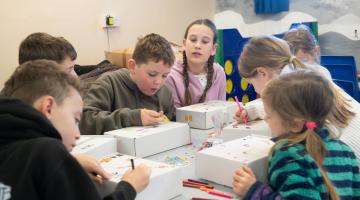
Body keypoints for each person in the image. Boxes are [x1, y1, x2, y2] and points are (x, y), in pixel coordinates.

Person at [0, 60, 151, 200]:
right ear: (48, 108)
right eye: (75, 119)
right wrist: (129, 187)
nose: (78, 135)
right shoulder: (48, 152)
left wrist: (70, 164)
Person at [232, 71, 360, 199]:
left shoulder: (288, 155)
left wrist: (254, 190)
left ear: (295, 125)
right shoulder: (345, 150)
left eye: (269, 116)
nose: (265, 120)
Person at [233, 36, 355, 135]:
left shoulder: (293, 88)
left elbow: (283, 108)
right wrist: (252, 111)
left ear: (262, 73)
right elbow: (283, 108)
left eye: (252, 83)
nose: (254, 88)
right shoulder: (304, 73)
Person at [80, 33, 176, 135]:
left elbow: (174, 126)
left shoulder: (165, 92)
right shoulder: (109, 84)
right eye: (152, 74)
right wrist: (133, 117)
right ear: (132, 66)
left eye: (165, 76)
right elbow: (85, 121)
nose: (158, 82)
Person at [165, 19, 226, 108]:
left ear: (213, 49)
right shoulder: (170, 75)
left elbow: (222, 109)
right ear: (184, 44)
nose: (197, 45)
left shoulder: (219, 72)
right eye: (193, 40)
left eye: (204, 41)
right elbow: (174, 116)